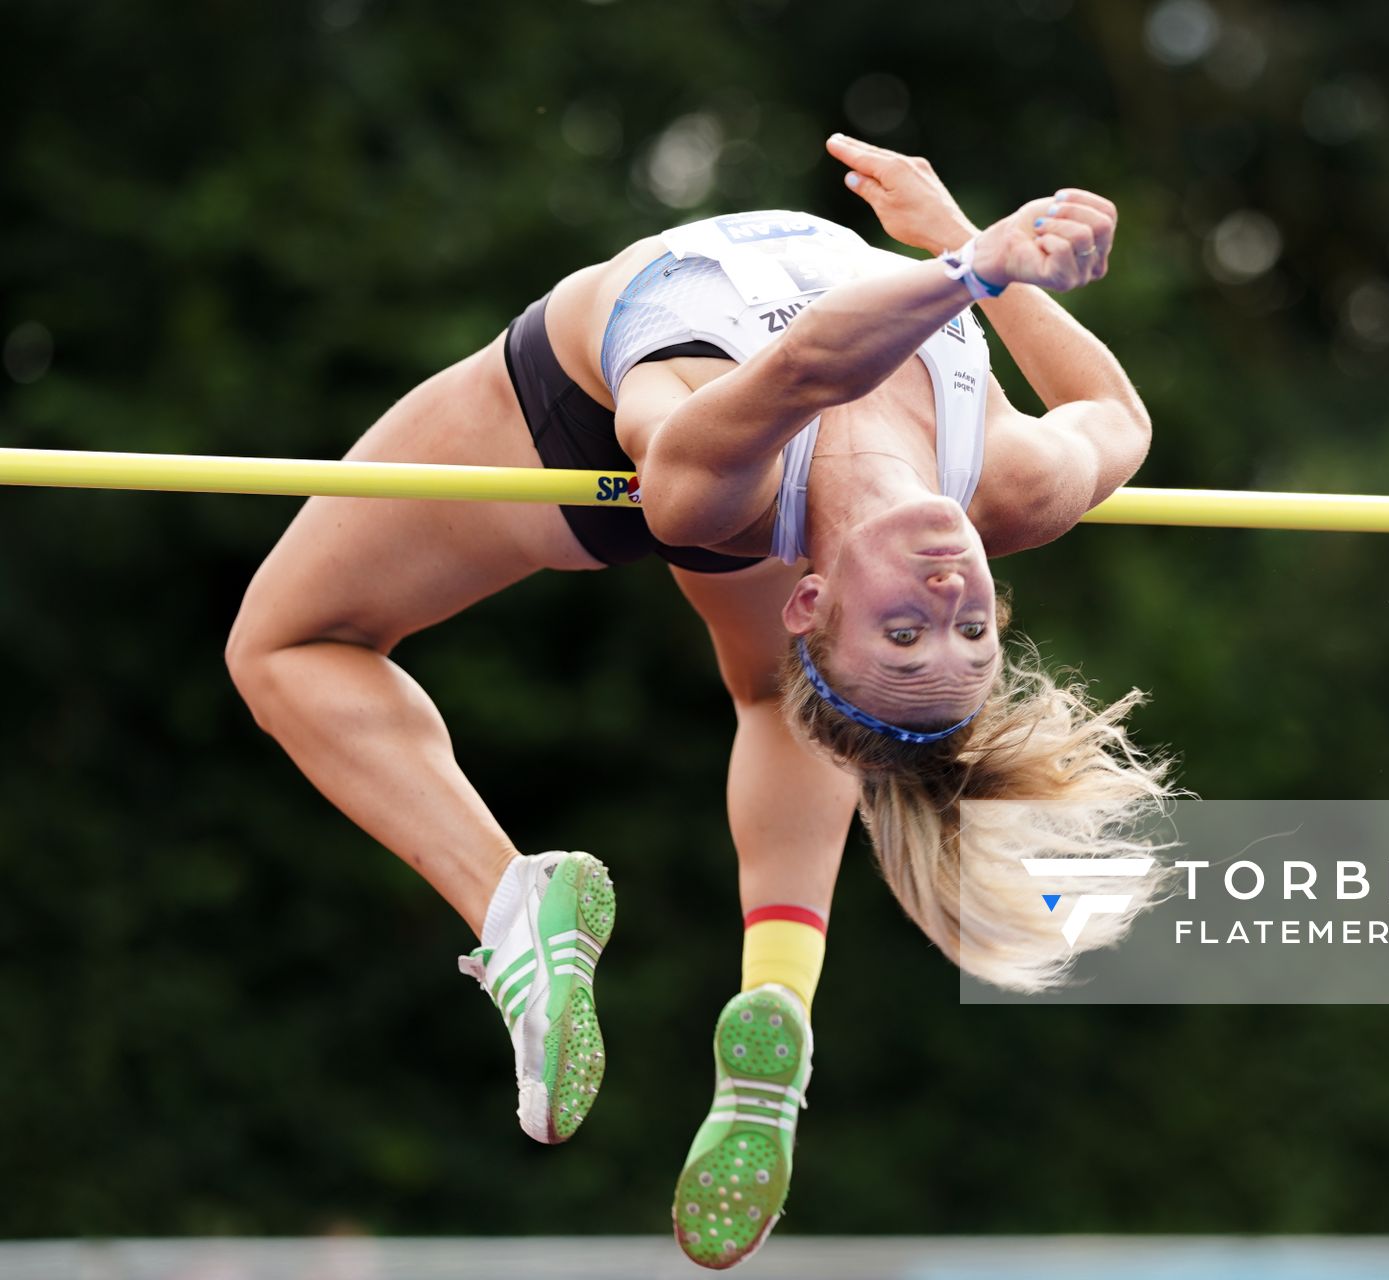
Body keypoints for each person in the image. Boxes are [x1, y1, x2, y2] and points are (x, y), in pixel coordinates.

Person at [224, 133, 1171, 1269]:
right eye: (971, 630)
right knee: (779, 698)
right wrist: (959, 238)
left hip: (595, 424)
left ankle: (514, 910)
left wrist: (979, 266)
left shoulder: (713, 494)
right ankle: (780, 1001)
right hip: (789, 421)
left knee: (285, 644)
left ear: (809, 599)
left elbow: (810, 370)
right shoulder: (1012, 484)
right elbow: (1117, 417)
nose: (945, 597)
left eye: (902, 632)